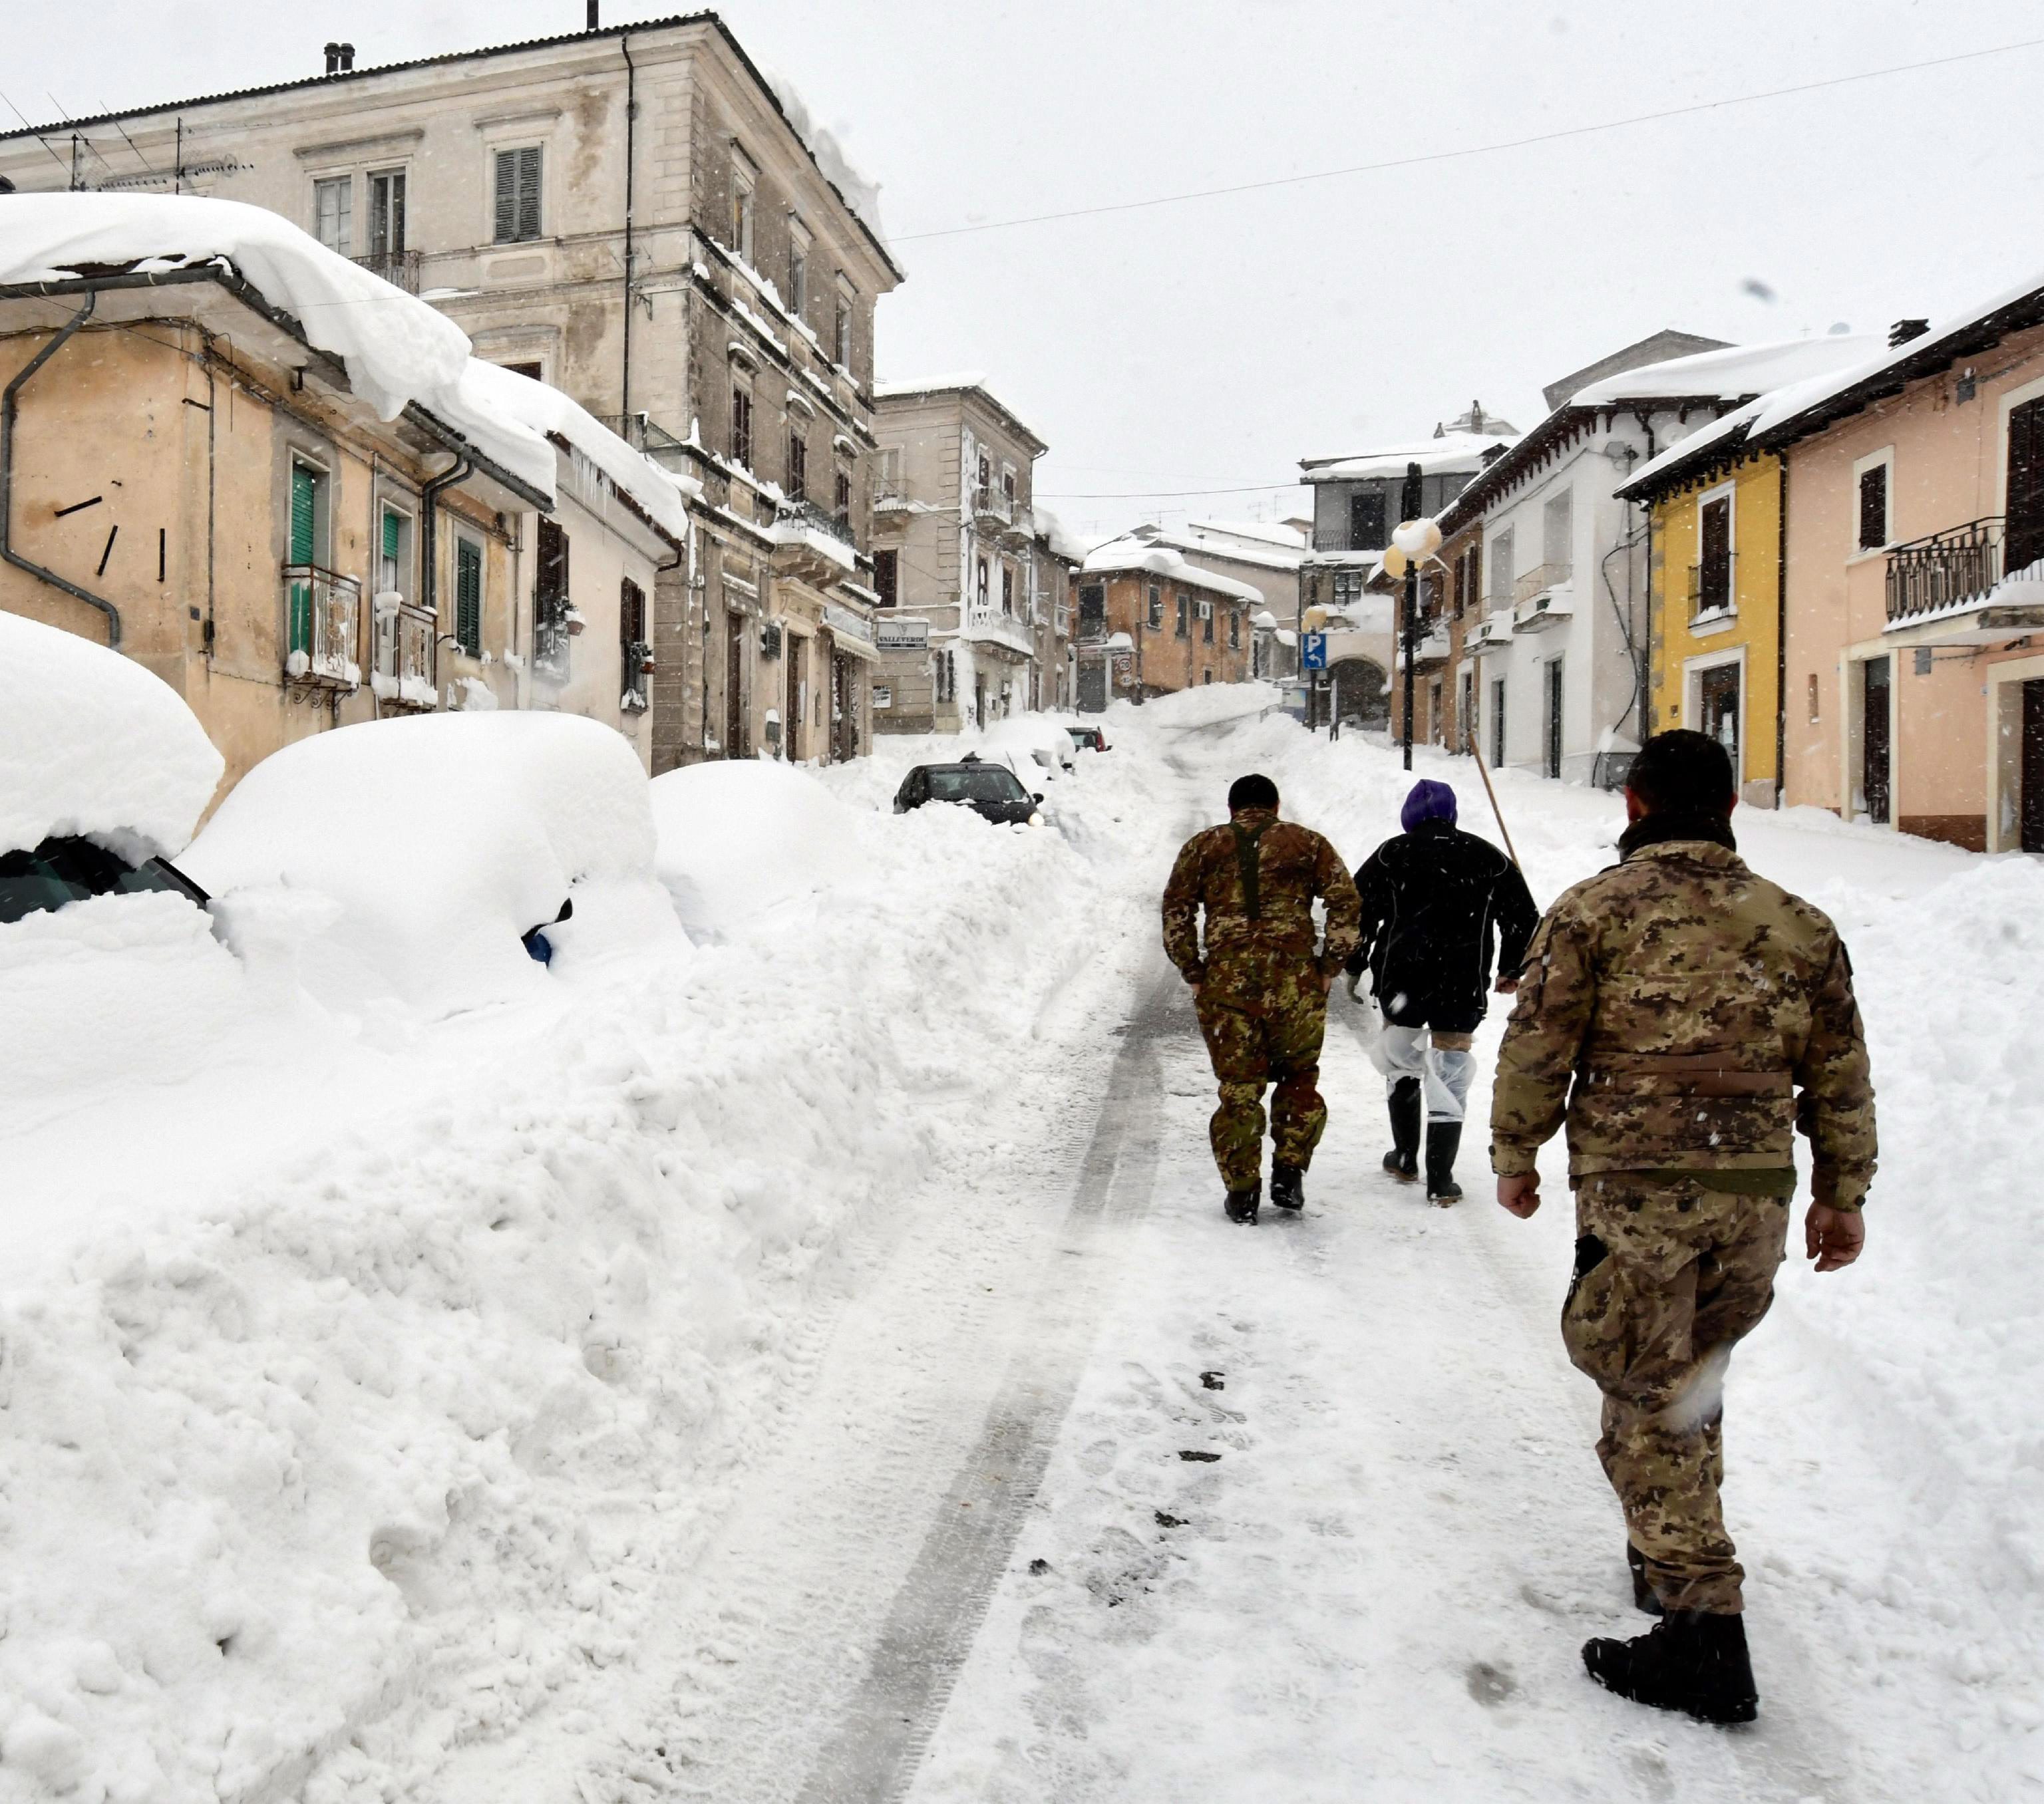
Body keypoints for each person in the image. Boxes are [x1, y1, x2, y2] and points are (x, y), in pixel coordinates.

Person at [1490, 729, 1875, 1726]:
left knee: (1645, 1390)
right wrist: (1842, 1192)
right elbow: (1839, 1073)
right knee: (1690, 1380)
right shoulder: (1798, 924)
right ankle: (1662, 1556)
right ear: (1730, 809)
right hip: (1753, 1197)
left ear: (1636, 804)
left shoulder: (1593, 912)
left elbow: (1539, 1046)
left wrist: (1515, 1154)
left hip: (1639, 1194)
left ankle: (1705, 1630)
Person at [1162, 774, 1361, 1223]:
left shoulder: (1203, 847)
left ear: (1232, 809)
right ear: (1276, 805)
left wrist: (1193, 969)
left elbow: (1176, 910)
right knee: (1298, 1078)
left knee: (1239, 1088)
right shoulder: (1308, 843)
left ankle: (1242, 1192)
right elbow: (1345, 902)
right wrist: (1329, 965)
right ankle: (1289, 1172)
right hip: (1294, 983)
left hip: (1227, 984)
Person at [1345, 778, 1538, 1203]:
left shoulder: (1392, 853)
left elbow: (1359, 912)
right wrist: (1511, 967)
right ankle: (1440, 1180)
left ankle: (1404, 1158)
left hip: (1403, 981)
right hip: (1461, 982)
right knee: (1451, 1069)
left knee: (1401, 1061)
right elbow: (1524, 917)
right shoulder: (1488, 857)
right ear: (1452, 814)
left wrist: (1354, 964)